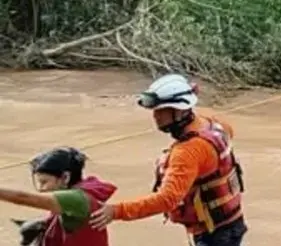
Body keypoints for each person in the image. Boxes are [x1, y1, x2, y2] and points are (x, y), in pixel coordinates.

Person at [89, 73, 247, 246]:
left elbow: (167, 200)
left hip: (214, 236)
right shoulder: (212, 124)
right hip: (231, 223)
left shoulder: (187, 152)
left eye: (161, 110)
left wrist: (116, 211)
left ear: (179, 111)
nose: (155, 116)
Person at [0, 147, 116, 246]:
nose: (41, 189)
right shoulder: (81, 194)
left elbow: (22, 198)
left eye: (44, 182)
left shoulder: (75, 198)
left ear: (65, 177)